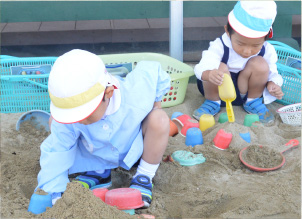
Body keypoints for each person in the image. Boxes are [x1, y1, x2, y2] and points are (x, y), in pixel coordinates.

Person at [31, 49, 171, 211]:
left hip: (130, 148)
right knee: (56, 122)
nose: (79, 120)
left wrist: (156, 105)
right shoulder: (73, 120)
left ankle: (144, 176)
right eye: (72, 115)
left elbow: (153, 70)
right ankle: (97, 171)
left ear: (108, 93)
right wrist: (53, 191)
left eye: (86, 114)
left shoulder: (135, 94)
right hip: (91, 151)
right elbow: (56, 150)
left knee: (159, 119)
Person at [193, 1, 284, 123]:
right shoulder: (219, 45)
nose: (247, 51)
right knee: (220, 66)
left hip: (246, 91)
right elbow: (203, 65)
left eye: (256, 45)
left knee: (261, 64)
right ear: (227, 31)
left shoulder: (267, 49)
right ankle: (212, 102)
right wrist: (209, 74)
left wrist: (273, 83)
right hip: (218, 89)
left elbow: (273, 71)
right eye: (240, 43)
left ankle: (253, 101)